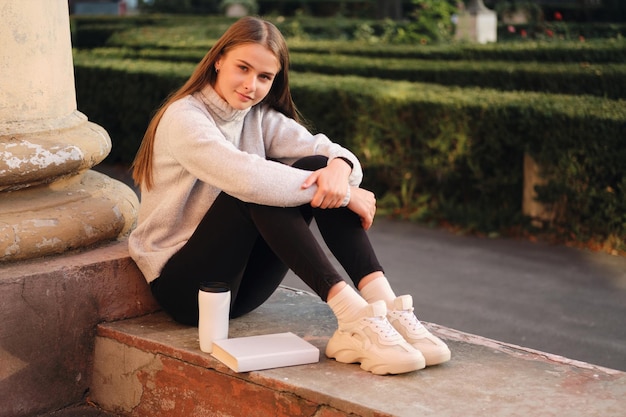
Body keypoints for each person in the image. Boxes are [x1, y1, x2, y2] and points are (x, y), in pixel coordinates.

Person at [129, 16, 450, 375]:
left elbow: (331, 152)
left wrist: (340, 172)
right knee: (254, 190)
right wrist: (344, 196)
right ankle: (352, 317)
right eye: (243, 68)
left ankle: (384, 302)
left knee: (315, 163)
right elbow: (245, 178)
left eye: (264, 77)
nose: (251, 85)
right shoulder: (184, 117)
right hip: (187, 289)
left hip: (245, 289)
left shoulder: (258, 117)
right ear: (218, 59)